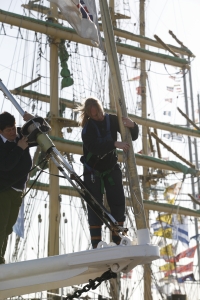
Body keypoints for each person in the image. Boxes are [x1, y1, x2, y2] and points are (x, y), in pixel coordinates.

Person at [75, 97, 139, 248]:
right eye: (96, 115)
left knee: (118, 202)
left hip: (111, 168)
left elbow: (133, 136)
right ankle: (97, 243)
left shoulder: (111, 120)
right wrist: (114, 144)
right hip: (93, 172)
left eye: (100, 113)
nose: (100, 117)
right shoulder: (88, 129)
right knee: (95, 205)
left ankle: (118, 240)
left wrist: (133, 126)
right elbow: (94, 148)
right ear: (90, 116)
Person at [0, 111, 35, 264]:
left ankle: (1, 257)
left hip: (18, 190)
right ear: (0, 131)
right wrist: (19, 148)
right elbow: (5, 166)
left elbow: (43, 133)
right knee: (1, 225)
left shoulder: (20, 135)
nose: (13, 132)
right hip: (3, 190)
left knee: (8, 228)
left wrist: (33, 120)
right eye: (9, 130)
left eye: (14, 128)